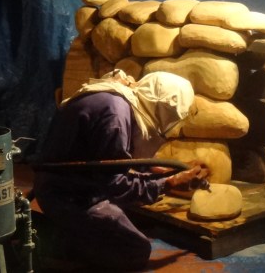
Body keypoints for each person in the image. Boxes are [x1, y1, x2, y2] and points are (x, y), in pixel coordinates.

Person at [28, 70, 210, 271]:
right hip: (69, 197)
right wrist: (169, 183)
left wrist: (159, 169)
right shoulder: (115, 115)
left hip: (69, 186)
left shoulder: (116, 100)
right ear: (164, 110)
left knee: (123, 229)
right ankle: (50, 239)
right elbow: (114, 185)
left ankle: (62, 231)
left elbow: (105, 157)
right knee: (135, 251)